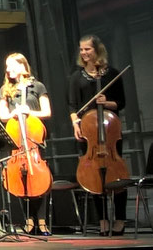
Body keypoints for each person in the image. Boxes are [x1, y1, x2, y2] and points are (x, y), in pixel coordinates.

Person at [68, 35, 128, 236]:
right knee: (93, 176)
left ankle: (120, 220)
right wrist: (76, 123)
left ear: (97, 50)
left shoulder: (112, 73)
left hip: (110, 132)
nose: (84, 53)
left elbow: (121, 103)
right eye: (82, 50)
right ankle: (102, 220)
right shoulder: (76, 77)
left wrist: (107, 103)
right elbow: (72, 105)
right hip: (88, 132)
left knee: (117, 175)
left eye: (88, 49)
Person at [0, 53, 52, 236]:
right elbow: (3, 115)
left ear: (22, 66)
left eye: (11, 65)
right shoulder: (6, 89)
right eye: (6, 66)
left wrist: (29, 111)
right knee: (18, 179)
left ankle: (42, 222)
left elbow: (47, 111)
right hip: (17, 142)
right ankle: (28, 221)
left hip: (35, 140)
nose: (8, 69)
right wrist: (14, 113)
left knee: (40, 179)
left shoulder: (37, 86)